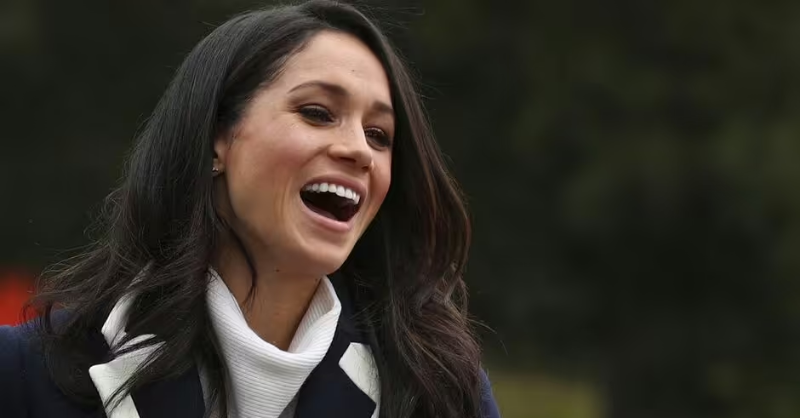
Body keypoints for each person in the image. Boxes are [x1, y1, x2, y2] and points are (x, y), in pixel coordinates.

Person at [0, 1, 501, 417]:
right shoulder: (24, 376)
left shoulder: (441, 393)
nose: (359, 151)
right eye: (317, 113)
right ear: (216, 139)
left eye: (379, 135)